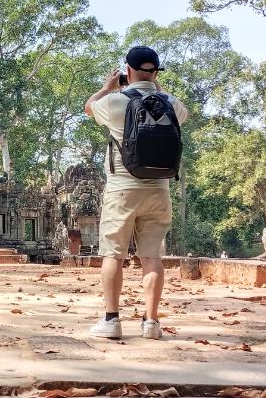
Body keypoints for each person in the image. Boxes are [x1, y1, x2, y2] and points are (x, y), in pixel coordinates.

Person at [84, 46, 189, 340]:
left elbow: (88, 106)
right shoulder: (170, 103)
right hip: (159, 190)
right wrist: (158, 87)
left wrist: (106, 87)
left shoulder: (115, 101)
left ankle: (111, 320)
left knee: (113, 255)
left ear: (126, 71)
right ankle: (151, 323)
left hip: (122, 189)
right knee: (152, 257)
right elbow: (184, 113)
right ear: (155, 73)